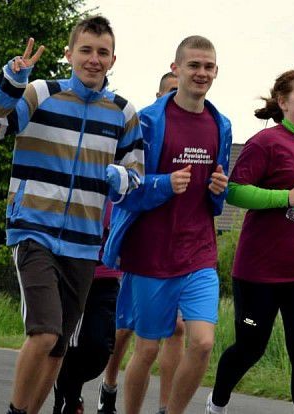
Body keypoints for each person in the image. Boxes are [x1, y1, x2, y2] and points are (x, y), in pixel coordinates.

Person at [0, 15, 144, 414]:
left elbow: (136, 176)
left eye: (102, 52)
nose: (94, 59)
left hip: (84, 243)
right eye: (86, 50)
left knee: (59, 346)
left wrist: (120, 178)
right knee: (44, 332)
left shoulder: (123, 112)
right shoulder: (40, 93)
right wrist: (10, 81)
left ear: (113, 59)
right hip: (33, 229)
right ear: (69, 54)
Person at [102, 35, 232, 414]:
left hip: (199, 251)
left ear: (216, 71)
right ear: (176, 68)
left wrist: (219, 189)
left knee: (203, 342)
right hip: (152, 253)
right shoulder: (146, 121)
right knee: (146, 348)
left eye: (208, 67)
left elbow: (215, 198)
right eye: (194, 65)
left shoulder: (221, 125)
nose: (201, 73)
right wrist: (164, 183)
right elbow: (123, 189)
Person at [207, 64, 294, 414]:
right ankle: (217, 402)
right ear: (283, 101)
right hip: (259, 271)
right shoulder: (266, 142)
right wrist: (285, 197)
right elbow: (234, 191)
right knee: (250, 347)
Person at [98, 71, 186, 414]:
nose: (178, 97)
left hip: (179, 246)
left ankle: (166, 407)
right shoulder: (143, 129)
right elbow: (124, 186)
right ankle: (109, 383)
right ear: (158, 95)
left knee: (176, 329)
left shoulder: (195, 134)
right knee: (125, 328)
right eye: (171, 91)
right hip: (142, 242)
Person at [53, 202, 121, 414]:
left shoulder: (119, 184)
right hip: (72, 270)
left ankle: (67, 387)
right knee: (70, 344)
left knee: (100, 349)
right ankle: (67, 400)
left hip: (107, 274)